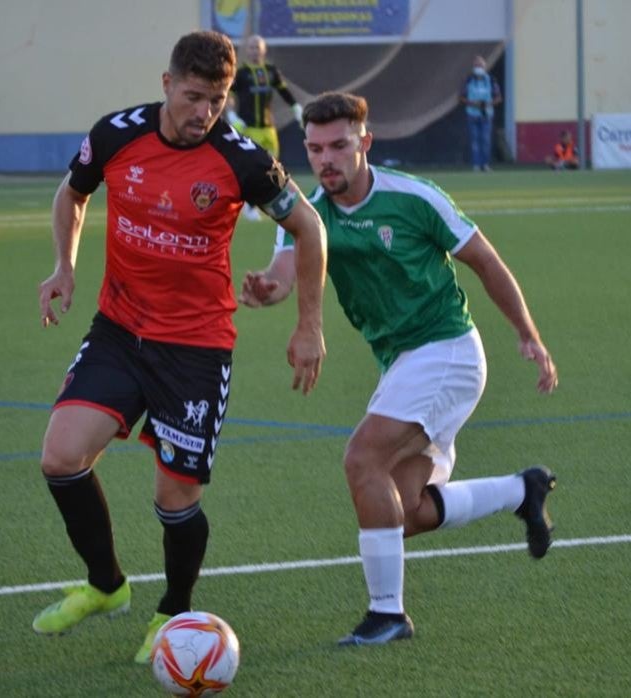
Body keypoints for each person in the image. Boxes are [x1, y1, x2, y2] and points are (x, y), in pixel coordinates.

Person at [31, 31, 328, 665]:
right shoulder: (117, 134)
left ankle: (173, 611)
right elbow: (72, 193)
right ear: (166, 85)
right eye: (194, 97)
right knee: (60, 456)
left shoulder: (242, 159)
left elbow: (309, 227)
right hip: (119, 331)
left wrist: (309, 325)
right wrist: (65, 266)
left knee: (175, 496)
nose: (204, 113)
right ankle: (106, 585)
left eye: (216, 100)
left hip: (194, 349)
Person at [239, 92, 559, 646]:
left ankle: (387, 614)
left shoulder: (412, 198)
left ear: (365, 142)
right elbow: (283, 272)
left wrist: (527, 334)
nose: (325, 160)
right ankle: (521, 490)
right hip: (401, 364)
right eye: (314, 149)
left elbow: (485, 261)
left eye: (339, 145)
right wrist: (268, 290)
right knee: (403, 511)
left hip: (447, 350)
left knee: (363, 458)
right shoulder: (306, 213)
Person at [227, 34, 303, 221]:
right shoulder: (242, 73)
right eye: (251, 47)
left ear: (264, 50)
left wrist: (296, 107)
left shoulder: (271, 71)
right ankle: (249, 206)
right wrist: (231, 115)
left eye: (257, 47)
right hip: (249, 128)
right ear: (247, 51)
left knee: (273, 168)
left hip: (269, 128)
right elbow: (227, 93)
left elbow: (283, 90)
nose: (254, 50)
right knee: (252, 167)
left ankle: (267, 203)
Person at [460, 56, 501, 172]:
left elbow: (498, 97)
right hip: (472, 114)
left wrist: (487, 104)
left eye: (481, 65)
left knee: (485, 140)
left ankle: (486, 165)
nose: (479, 68)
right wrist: (473, 103)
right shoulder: (469, 81)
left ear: (485, 67)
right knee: (474, 140)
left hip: (486, 115)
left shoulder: (491, 80)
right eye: (476, 66)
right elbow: (462, 97)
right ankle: (476, 165)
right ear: (473, 67)